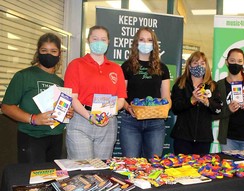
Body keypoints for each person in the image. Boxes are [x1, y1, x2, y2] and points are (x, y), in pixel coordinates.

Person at [1, 33, 73, 163]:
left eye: (53, 51)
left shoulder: (61, 82)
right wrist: (33, 119)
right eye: (44, 50)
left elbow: (62, 108)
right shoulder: (24, 76)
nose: (48, 54)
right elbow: (6, 107)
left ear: (59, 55)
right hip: (31, 137)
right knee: (33, 180)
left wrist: (68, 112)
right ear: (38, 52)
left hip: (56, 137)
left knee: (53, 179)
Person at [64, 25, 127, 160]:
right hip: (81, 120)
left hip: (108, 122)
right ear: (88, 40)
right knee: (82, 169)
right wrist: (90, 117)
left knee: (102, 170)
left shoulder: (116, 68)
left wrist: (104, 115)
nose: (99, 42)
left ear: (108, 42)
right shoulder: (76, 64)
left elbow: (121, 99)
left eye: (103, 39)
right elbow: (72, 97)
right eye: (95, 38)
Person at [119, 27, 171, 159]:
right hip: (131, 121)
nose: (145, 43)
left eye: (149, 40)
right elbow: (120, 95)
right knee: (131, 163)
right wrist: (127, 107)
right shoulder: (126, 66)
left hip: (155, 123)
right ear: (136, 43)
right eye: (142, 39)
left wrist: (164, 108)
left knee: (153, 164)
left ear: (154, 44)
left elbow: (166, 97)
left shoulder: (162, 68)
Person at [170, 51, 223, 155]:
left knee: (201, 170)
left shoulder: (212, 86)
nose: (199, 66)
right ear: (189, 66)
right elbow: (175, 108)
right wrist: (191, 100)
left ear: (206, 66)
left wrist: (207, 102)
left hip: (204, 139)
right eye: (195, 63)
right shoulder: (180, 84)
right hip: (182, 137)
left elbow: (219, 109)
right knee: (181, 169)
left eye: (202, 63)